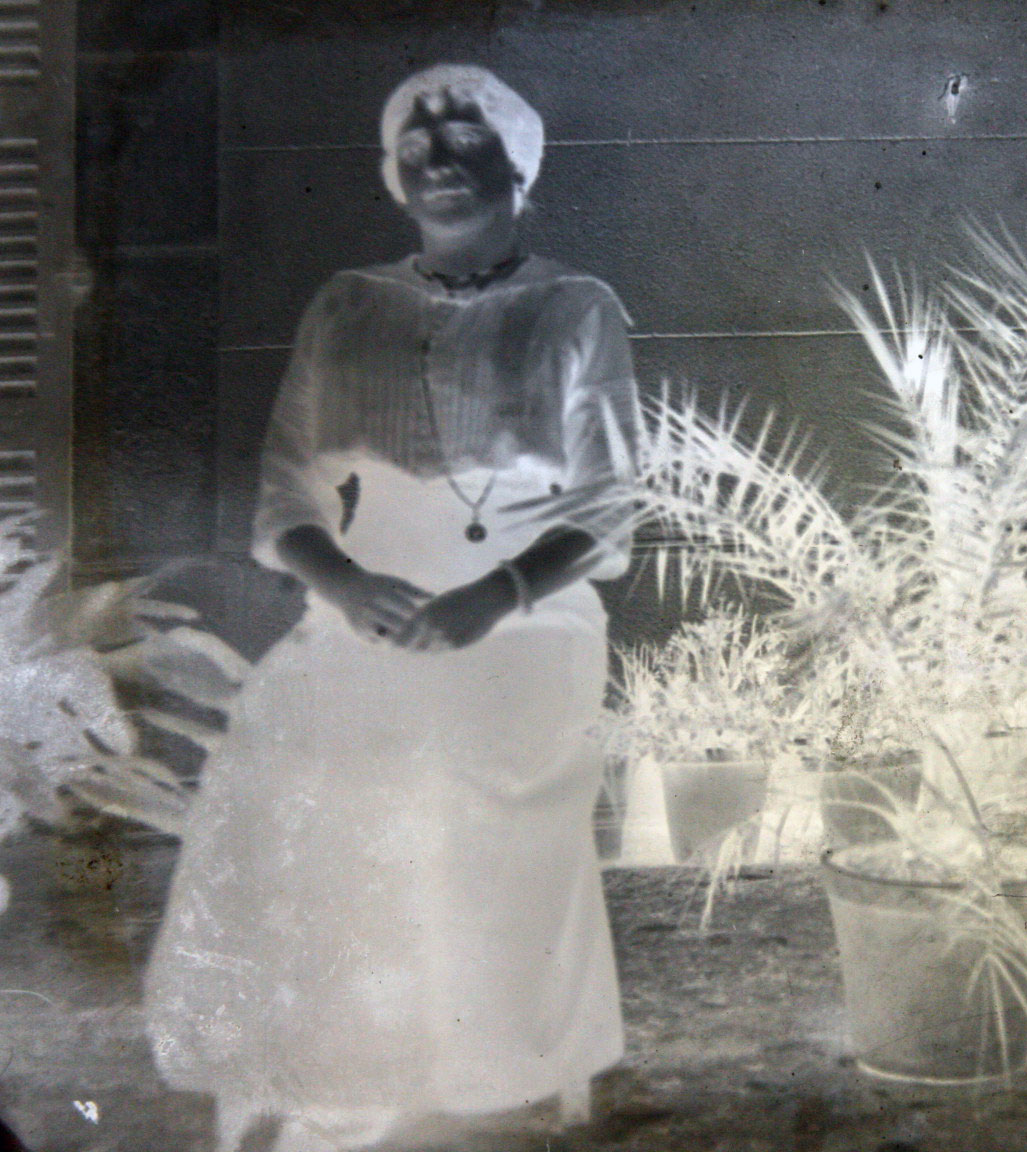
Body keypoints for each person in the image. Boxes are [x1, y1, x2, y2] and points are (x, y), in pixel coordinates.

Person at [144, 65, 640, 1151]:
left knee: (424, 760)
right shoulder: (346, 305)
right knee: (278, 758)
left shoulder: (576, 309)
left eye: (463, 139)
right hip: (364, 607)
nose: (436, 163)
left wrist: (490, 600)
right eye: (414, 149)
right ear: (391, 175)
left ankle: (438, 1078)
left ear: (517, 161)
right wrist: (350, 586)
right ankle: (309, 1061)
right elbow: (284, 496)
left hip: (527, 616)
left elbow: (608, 509)